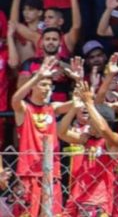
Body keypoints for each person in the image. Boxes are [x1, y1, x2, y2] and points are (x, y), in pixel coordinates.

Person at [11, 57, 72, 217]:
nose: (47, 89)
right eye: (43, 84)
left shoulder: (53, 108)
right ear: (33, 86)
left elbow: (76, 103)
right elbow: (15, 99)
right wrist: (37, 76)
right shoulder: (24, 109)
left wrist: (79, 80)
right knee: (27, 214)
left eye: (50, 86)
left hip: (52, 173)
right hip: (29, 173)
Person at [57, 81, 118, 216]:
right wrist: (74, 107)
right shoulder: (86, 138)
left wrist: (89, 103)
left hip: (99, 201)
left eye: (91, 118)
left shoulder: (113, 141)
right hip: (78, 197)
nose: (87, 121)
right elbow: (61, 132)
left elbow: (103, 129)